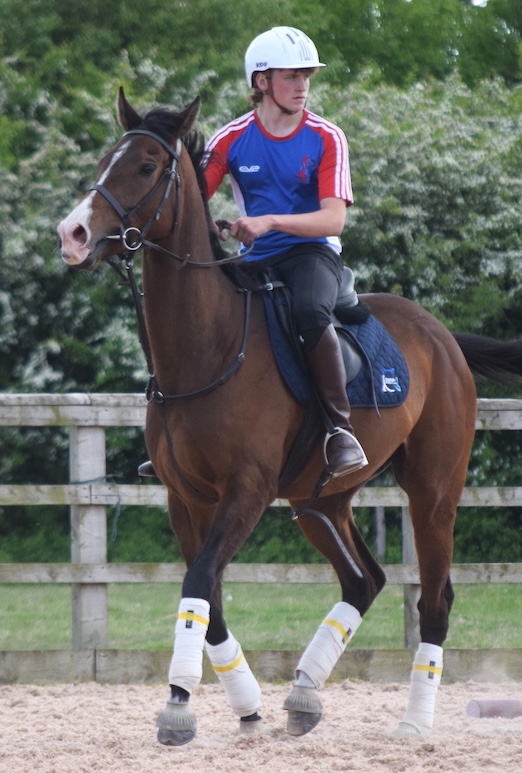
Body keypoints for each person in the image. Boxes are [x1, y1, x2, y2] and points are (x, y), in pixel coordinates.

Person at [140, 26, 367, 480]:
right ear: (261, 81)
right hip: (257, 258)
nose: (303, 85)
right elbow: (189, 202)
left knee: (308, 311)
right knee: (189, 311)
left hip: (313, 254)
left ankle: (339, 431)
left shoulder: (327, 137)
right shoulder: (230, 139)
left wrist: (267, 222)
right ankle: (176, 432)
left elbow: (333, 221)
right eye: (291, 76)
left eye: (307, 76)